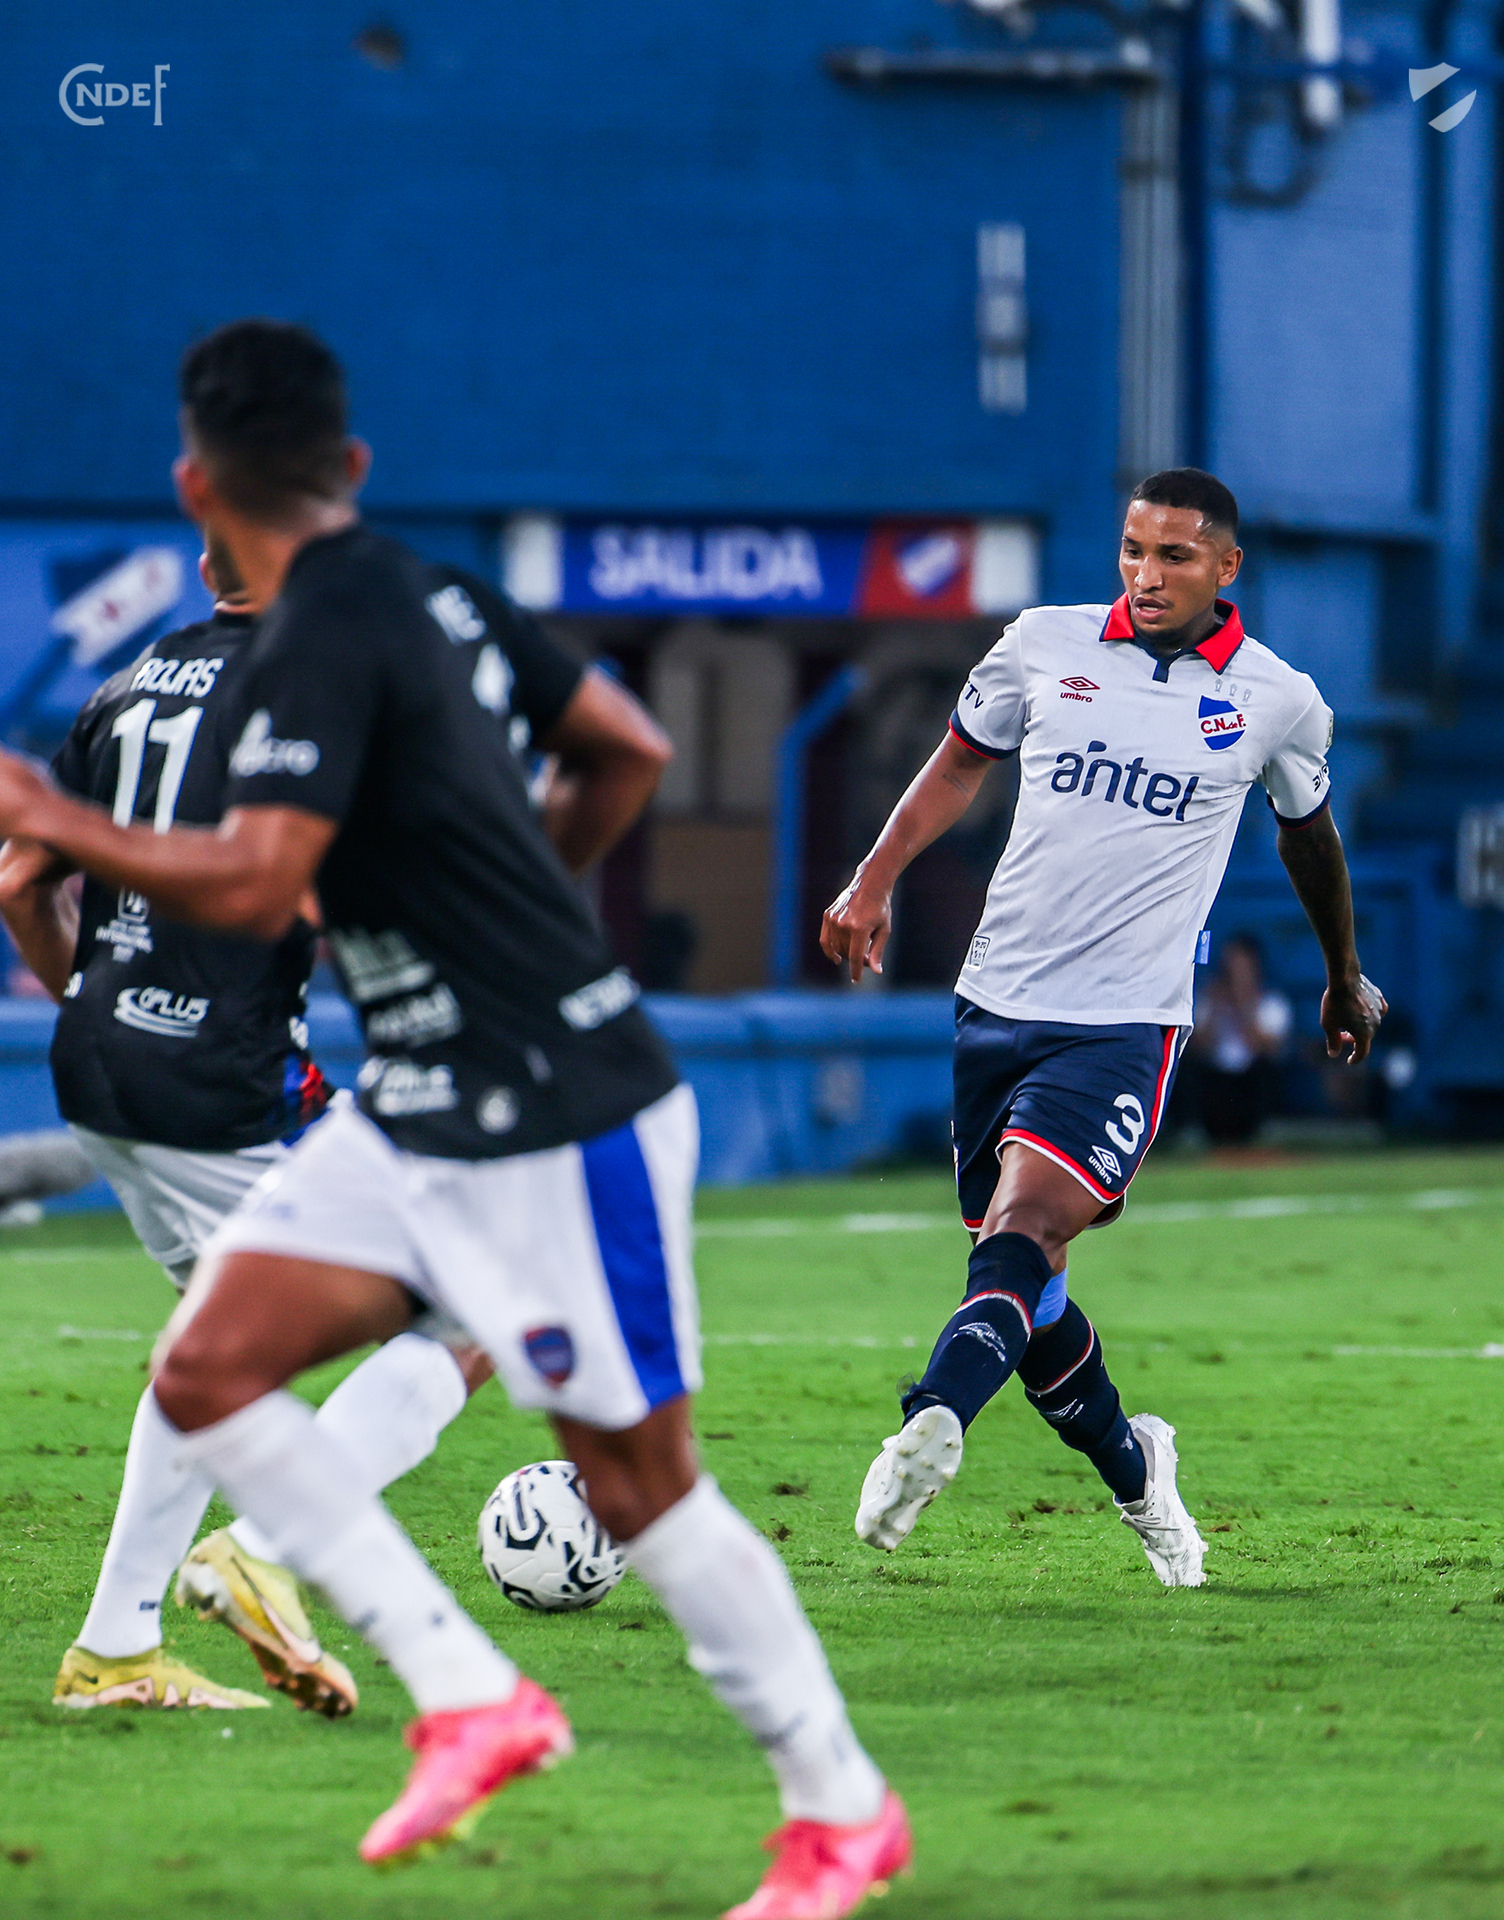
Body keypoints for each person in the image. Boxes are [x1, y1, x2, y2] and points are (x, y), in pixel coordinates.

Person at [0, 320, 907, 1920]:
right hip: (418, 1097)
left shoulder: (314, 631)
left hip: (560, 1100)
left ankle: (840, 1810)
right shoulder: (442, 593)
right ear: (352, 465)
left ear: (195, 485)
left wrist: (51, 814)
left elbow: (258, 883)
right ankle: (472, 1697)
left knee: (640, 1484)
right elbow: (626, 746)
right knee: (210, 1369)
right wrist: (501, 904)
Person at [0, 538, 673, 1715]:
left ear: (205, 555)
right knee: (486, 1299)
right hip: (227, 1078)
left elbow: (19, 881)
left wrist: (95, 1007)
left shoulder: (130, 684)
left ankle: (114, 1650)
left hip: (100, 1066)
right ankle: (265, 1550)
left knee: (213, 1347)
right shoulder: (304, 687)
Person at [822, 467, 1384, 1587]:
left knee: (1024, 1225)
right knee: (1025, 1285)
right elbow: (958, 766)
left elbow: (1308, 837)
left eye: (1176, 555)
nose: (1148, 574)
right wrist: (874, 878)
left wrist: (1342, 975)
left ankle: (933, 1420)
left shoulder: (1276, 699)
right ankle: (1139, 1470)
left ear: (1226, 566)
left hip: (1125, 1023)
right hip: (996, 1003)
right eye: (1134, 549)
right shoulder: (1043, 645)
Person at [1188, 934, 1292, 1144]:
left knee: (1264, 1071)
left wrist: (1244, 1004)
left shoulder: (1271, 1002)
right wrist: (1217, 1008)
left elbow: (1266, 1047)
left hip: (1251, 1079)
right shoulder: (1210, 1000)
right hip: (1217, 1078)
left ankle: (1261, 1129)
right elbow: (1198, 1046)